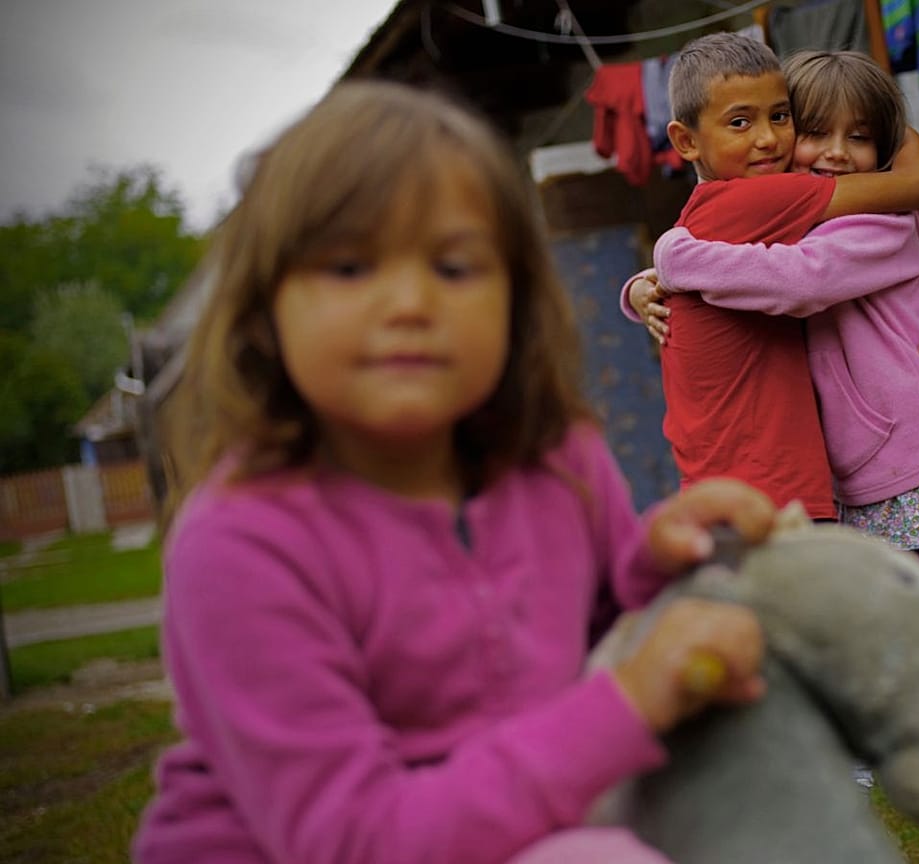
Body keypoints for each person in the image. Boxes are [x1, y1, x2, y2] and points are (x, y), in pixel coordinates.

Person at [132, 80, 781, 864]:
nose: (408, 302)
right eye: (347, 267)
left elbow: (605, 625)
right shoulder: (241, 545)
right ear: (266, 310)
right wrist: (629, 705)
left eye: (453, 266)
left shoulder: (558, 464)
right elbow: (354, 841)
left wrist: (658, 561)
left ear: (516, 300)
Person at [636, 50, 919, 864]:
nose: (833, 152)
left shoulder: (878, 222)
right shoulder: (783, 210)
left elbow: (800, 282)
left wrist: (674, 260)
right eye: (814, 133)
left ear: (887, 146)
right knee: (915, 708)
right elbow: (743, 255)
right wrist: (645, 288)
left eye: (861, 137)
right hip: (873, 501)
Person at [627, 32, 919, 525]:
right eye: (740, 122)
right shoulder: (768, 196)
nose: (767, 139)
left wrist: (641, 283)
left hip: (719, 487)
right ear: (685, 141)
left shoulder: (715, 219)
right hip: (773, 488)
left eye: (781, 118)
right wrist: (885, 120)